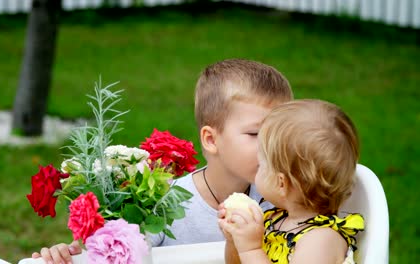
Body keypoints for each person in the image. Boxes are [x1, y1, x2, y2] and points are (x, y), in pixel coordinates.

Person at [32, 59, 294, 263]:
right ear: (211, 140)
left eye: (280, 133)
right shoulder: (161, 206)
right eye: (256, 134)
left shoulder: (286, 198)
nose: (273, 145)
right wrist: (70, 256)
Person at [218, 99, 365, 264]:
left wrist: (251, 249)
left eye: (261, 165)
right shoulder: (274, 219)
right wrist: (235, 241)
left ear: (281, 183)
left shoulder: (321, 241)